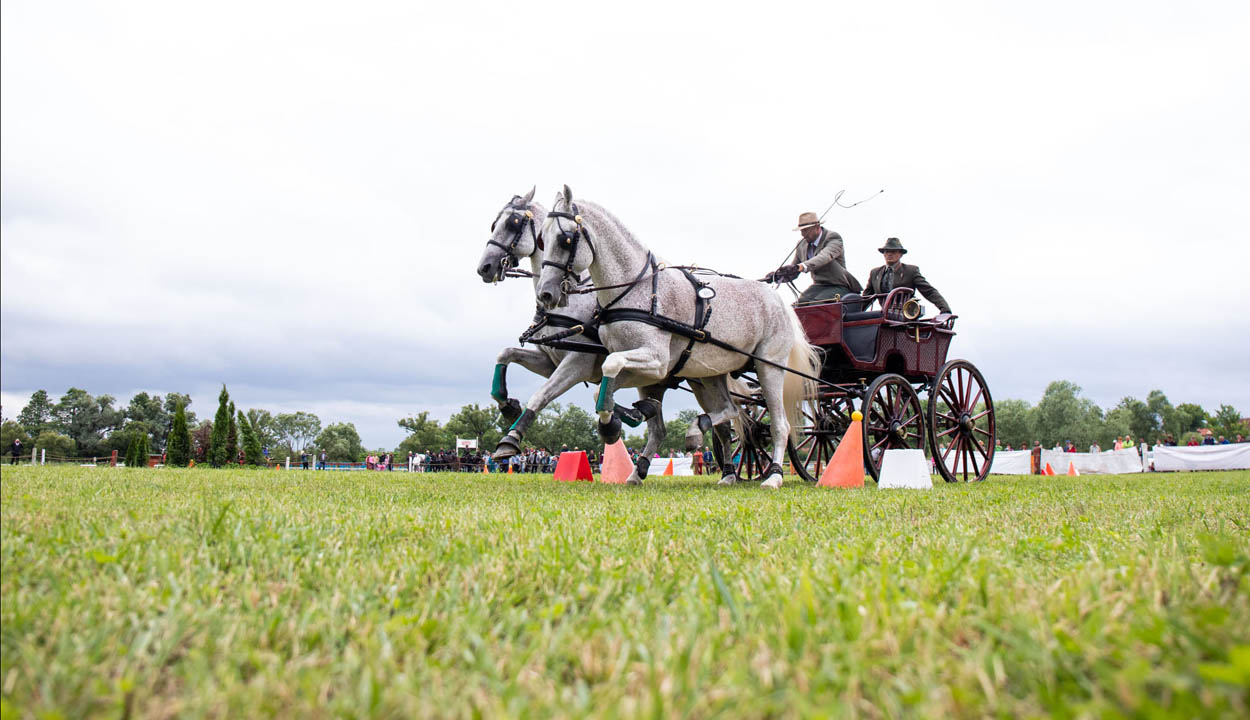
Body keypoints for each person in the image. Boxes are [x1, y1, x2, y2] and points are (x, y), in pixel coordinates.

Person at [772, 211, 863, 303]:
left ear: (817, 227)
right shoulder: (801, 244)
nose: (803, 234)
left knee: (816, 305)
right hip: (819, 286)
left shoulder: (833, 238)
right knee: (799, 305)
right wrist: (777, 275)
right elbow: (794, 270)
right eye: (801, 230)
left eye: (806, 230)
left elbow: (824, 257)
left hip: (840, 285)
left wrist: (800, 267)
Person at [863, 237, 952, 314]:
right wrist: (852, 314)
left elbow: (929, 291)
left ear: (901, 254)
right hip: (883, 316)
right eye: (887, 251)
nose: (889, 254)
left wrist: (945, 309)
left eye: (893, 251)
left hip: (905, 316)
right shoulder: (875, 273)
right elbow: (866, 298)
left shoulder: (911, 271)